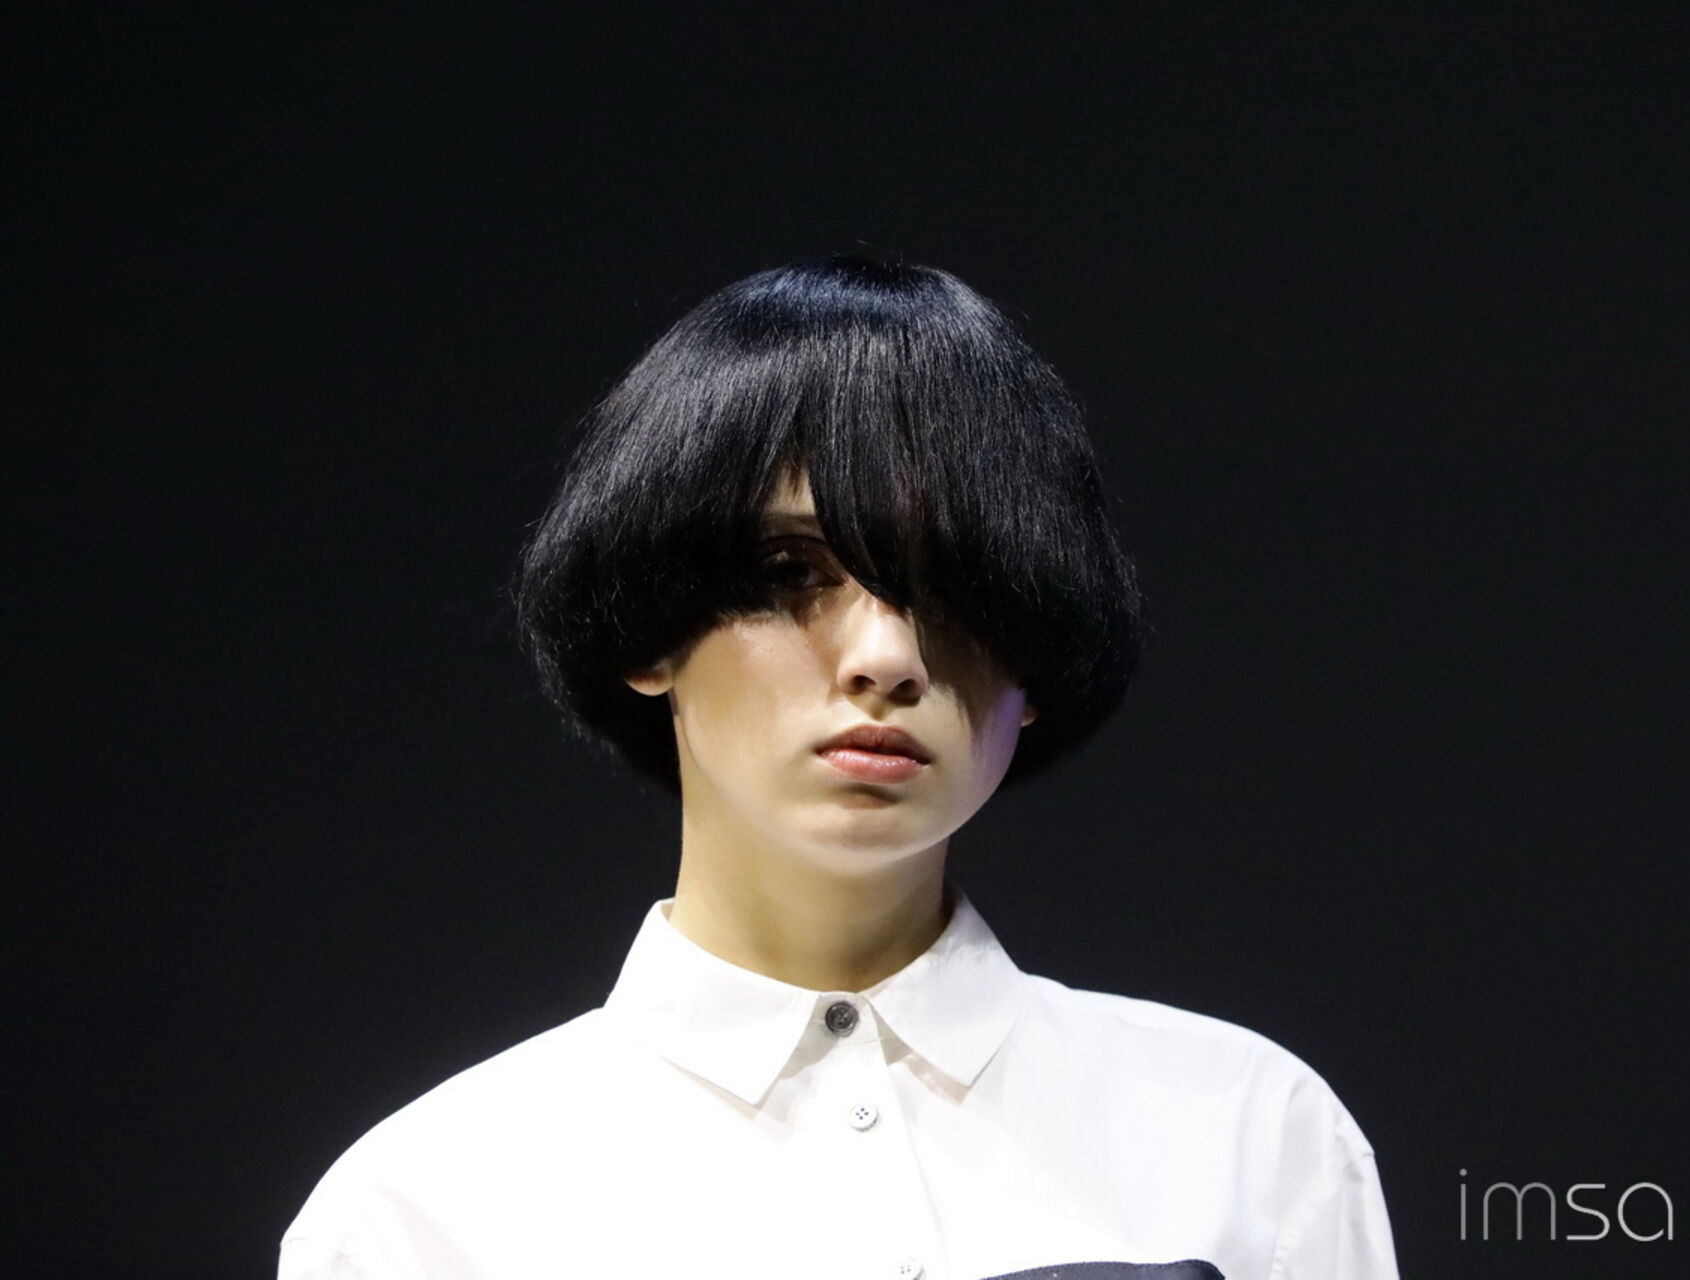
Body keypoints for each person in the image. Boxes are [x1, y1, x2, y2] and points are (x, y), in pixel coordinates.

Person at [277, 254, 1400, 1280]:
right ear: (648, 626)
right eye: (789, 571)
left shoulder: (1249, 1140)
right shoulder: (421, 1215)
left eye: (960, 584)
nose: (887, 656)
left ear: (1039, 656)